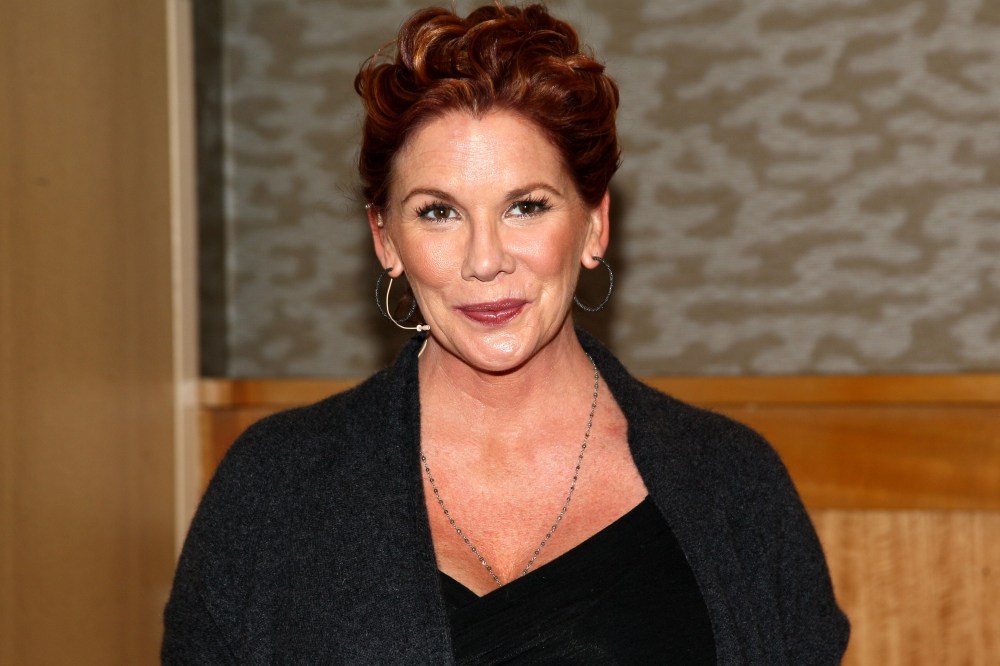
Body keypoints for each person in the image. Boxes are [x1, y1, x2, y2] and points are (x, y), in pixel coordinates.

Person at [162, 3, 849, 664]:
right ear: (385, 238)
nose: (485, 260)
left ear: (594, 224)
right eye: (438, 212)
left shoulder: (734, 485)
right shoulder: (273, 488)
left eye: (526, 207)